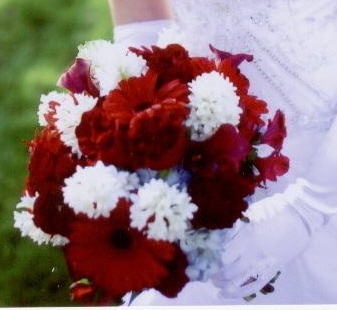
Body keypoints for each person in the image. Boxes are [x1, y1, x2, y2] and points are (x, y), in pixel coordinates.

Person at [108, 0, 337, 305]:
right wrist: (138, 144)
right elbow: (141, 30)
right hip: (207, 172)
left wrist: (308, 209)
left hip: (324, 167)